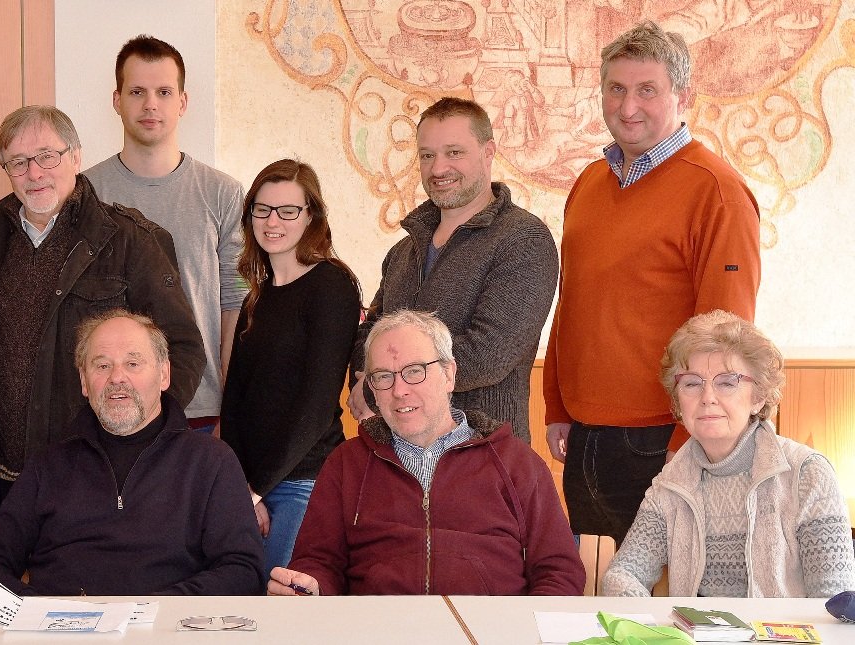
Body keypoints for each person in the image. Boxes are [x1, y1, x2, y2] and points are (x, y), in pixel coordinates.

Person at [543, 21, 761, 546]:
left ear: (682, 95)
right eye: (616, 89)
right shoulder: (590, 183)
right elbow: (571, 303)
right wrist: (556, 405)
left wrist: (691, 437)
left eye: (647, 90)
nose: (627, 106)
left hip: (664, 439)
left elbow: (727, 335)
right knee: (597, 603)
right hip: (584, 435)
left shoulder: (717, 191)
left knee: (664, 607)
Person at [0, 105, 205, 519]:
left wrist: (137, 440)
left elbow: (181, 350)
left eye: (46, 157)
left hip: (96, 477)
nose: (34, 174)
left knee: (83, 586)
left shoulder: (132, 243)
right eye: (18, 162)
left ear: (75, 156)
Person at [269, 310, 584, 596]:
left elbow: (559, 571)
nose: (399, 390)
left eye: (415, 371)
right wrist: (311, 587)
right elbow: (318, 561)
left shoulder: (517, 463)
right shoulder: (347, 463)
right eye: (383, 376)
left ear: (449, 375)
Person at [0, 310, 264, 595]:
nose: (117, 377)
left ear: (164, 374)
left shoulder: (211, 463)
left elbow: (243, 571)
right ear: (83, 381)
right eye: (102, 365)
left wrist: (152, 612)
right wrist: (35, 612)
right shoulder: (48, 466)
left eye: (133, 363)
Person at [602, 311, 855, 598]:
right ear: (678, 400)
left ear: (758, 397)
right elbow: (624, 573)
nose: (707, 397)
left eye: (727, 382)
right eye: (692, 383)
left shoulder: (808, 473)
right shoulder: (668, 485)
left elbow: (837, 597)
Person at [348, 97, 558, 442]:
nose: (438, 168)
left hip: (481, 454)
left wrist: (377, 387)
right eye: (427, 155)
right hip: (395, 454)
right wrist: (365, 376)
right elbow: (370, 330)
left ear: (488, 152)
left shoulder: (523, 239)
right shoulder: (404, 249)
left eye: (454, 152)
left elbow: (488, 354)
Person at [84, 35, 247, 435]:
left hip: (199, 411)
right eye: (137, 91)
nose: (150, 104)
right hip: (106, 409)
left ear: (183, 102)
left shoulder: (222, 193)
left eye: (163, 92)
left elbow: (234, 304)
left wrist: (232, 402)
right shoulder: (84, 193)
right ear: (117, 100)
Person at [220, 159, 361, 572]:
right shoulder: (256, 296)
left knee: (276, 596)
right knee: (238, 596)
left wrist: (256, 491)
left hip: (304, 479)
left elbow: (317, 405)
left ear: (311, 216)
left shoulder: (332, 285)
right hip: (251, 484)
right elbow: (235, 400)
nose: (272, 221)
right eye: (261, 209)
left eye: (288, 210)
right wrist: (241, 487)